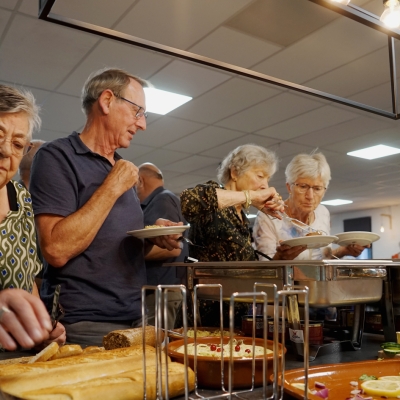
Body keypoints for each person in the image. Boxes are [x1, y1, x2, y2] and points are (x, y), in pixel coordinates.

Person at [29, 68, 181, 347]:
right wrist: (112, 186)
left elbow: (108, 245)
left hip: (136, 318)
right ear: (107, 101)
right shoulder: (57, 156)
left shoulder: (121, 168)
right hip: (84, 324)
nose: (143, 124)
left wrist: (151, 237)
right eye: (138, 111)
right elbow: (56, 249)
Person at [180, 144, 284, 327]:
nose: (265, 185)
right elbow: (188, 200)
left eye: (267, 179)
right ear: (235, 172)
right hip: (206, 317)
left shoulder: (242, 217)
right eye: (260, 176)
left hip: (236, 316)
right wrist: (250, 196)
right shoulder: (213, 199)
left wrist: (284, 255)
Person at [0, 84, 65, 348]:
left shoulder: (23, 200)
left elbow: (28, 281)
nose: (5, 151)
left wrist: (41, 326)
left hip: (17, 361)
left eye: (17, 144)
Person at [253, 152, 367, 261]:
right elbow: (265, 269)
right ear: (289, 187)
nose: (310, 196)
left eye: (317, 189)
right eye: (303, 187)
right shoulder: (269, 216)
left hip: (319, 281)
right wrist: (280, 259)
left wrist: (344, 251)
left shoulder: (323, 213)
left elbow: (321, 257)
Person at [137, 163, 188, 328]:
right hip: (161, 291)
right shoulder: (163, 199)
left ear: (140, 180)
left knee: (156, 349)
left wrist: (129, 254)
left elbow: (173, 247)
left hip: (161, 292)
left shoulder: (161, 200)